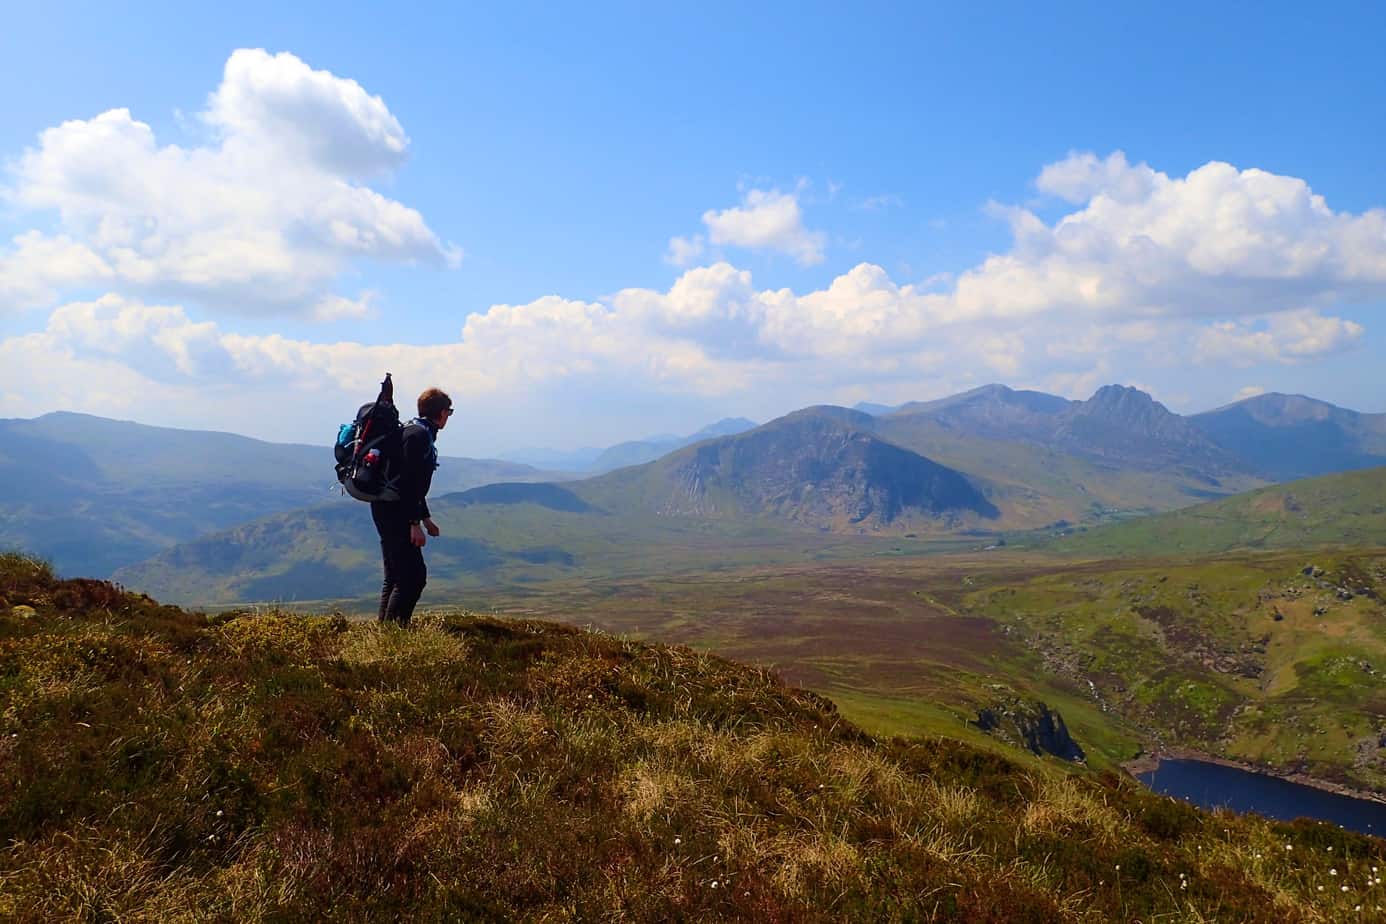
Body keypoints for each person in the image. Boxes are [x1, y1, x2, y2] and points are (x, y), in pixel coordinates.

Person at [372, 387, 452, 626]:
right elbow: (407, 483)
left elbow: (413, 484)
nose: (449, 416)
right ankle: (394, 634)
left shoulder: (411, 430)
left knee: (395, 576)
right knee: (413, 578)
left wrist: (425, 518)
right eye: (449, 411)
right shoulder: (419, 436)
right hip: (395, 511)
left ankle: (384, 632)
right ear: (441, 412)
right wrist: (413, 523)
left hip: (385, 506)